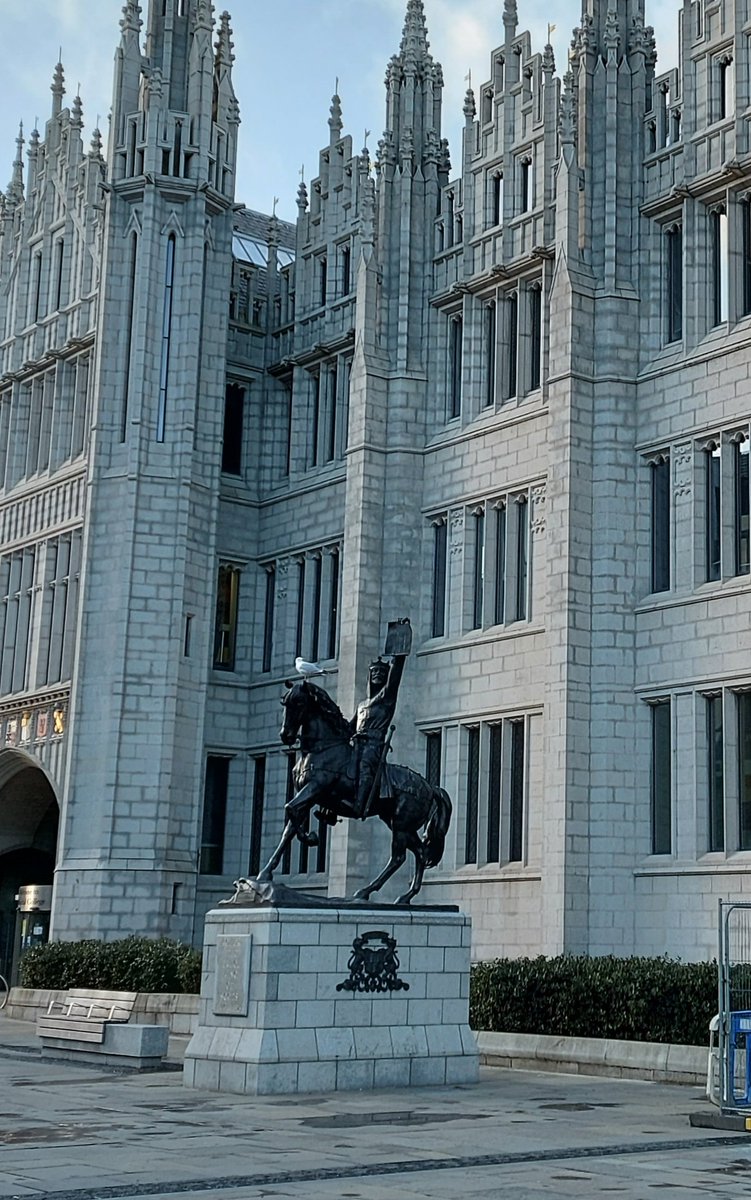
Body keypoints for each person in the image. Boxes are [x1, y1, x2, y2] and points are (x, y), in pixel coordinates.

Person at [350, 651, 407, 819]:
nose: (377, 675)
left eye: (382, 672)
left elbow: (395, 678)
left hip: (373, 747)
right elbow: (349, 727)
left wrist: (399, 655)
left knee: (365, 766)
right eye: (374, 671)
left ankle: (360, 805)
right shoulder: (362, 705)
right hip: (357, 745)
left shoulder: (386, 698)